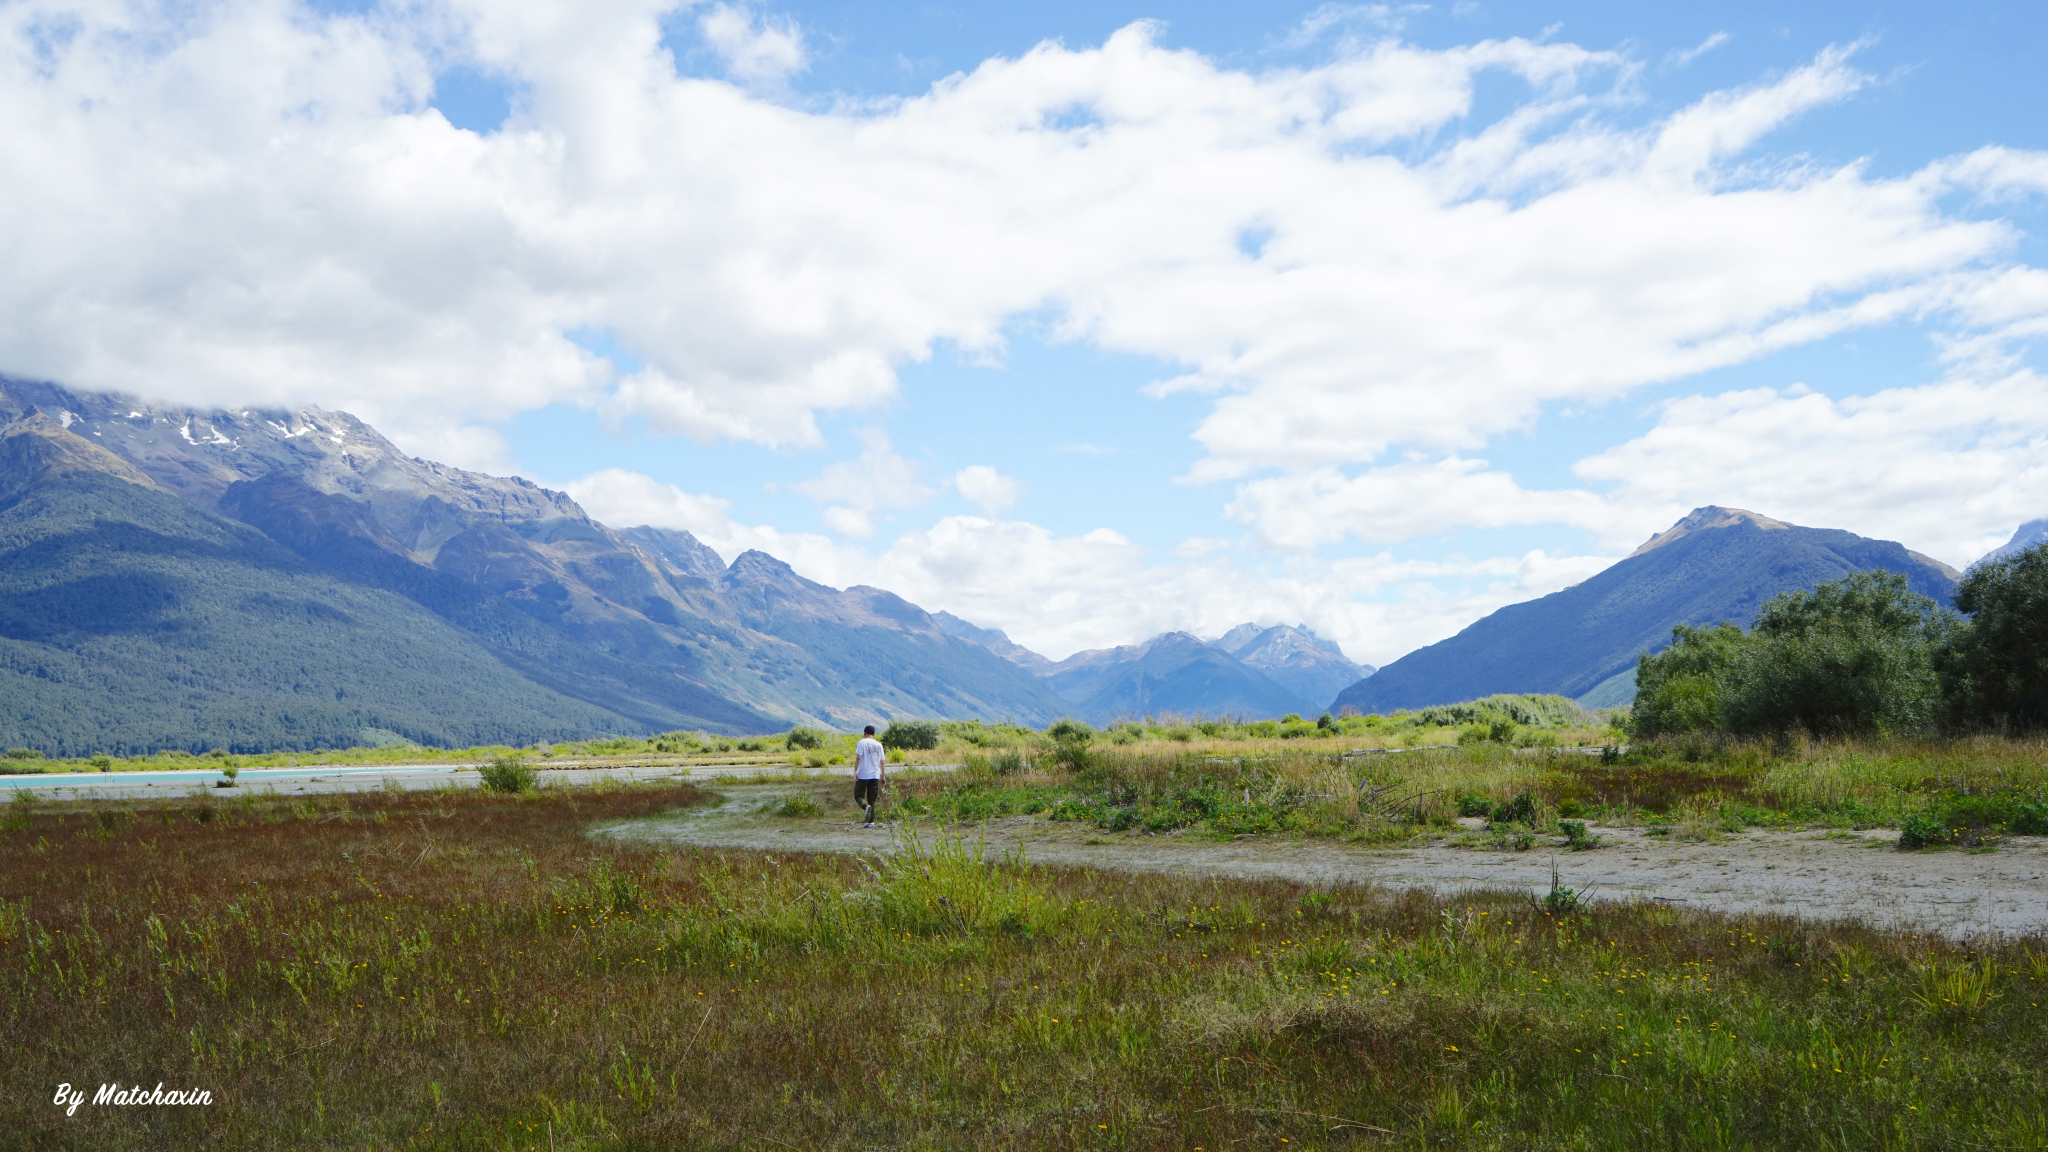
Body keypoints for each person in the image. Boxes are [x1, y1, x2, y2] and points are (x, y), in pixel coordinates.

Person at [853, 725, 886, 827]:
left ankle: (865, 806)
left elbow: (859, 758)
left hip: (864, 774)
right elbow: (882, 762)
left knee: (858, 795)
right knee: (872, 799)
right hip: (875, 775)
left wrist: (855, 771)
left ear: (865, 733)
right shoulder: (879, 745)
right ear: (874, 734)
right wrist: (883, 776)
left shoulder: (862, 742)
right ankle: (871, 822)